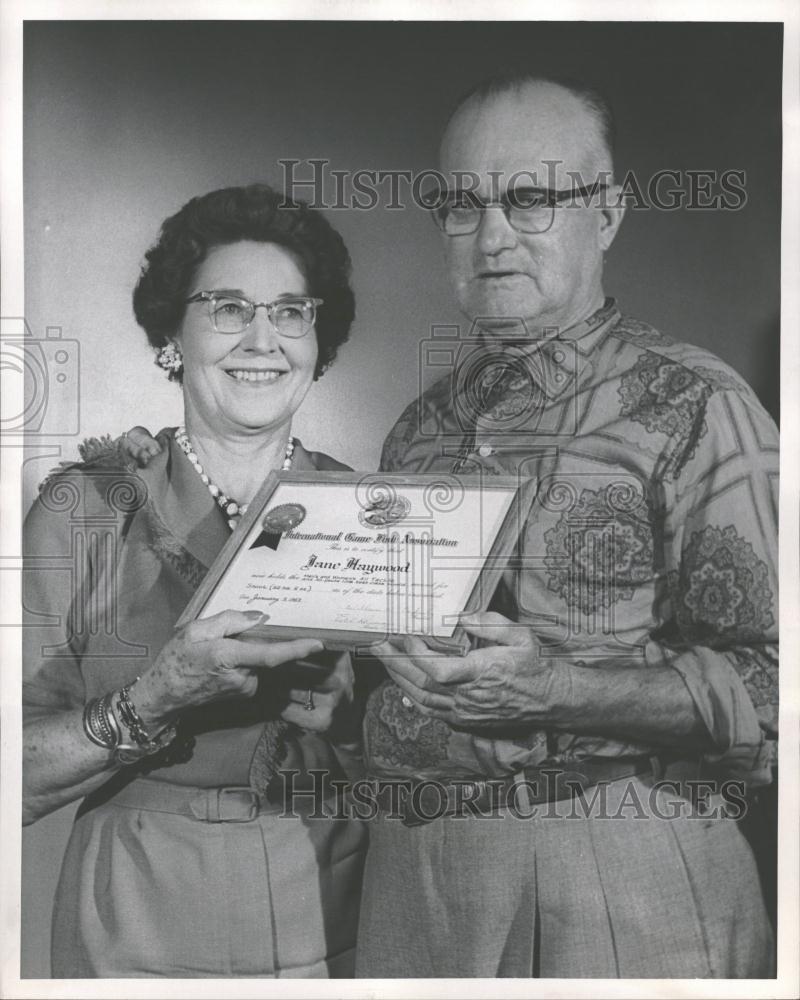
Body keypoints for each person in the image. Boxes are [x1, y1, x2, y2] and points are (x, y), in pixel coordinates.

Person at [122, 76, 779, 979]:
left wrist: (556, 688)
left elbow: (776, 687)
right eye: (462, 206)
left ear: (611, 214)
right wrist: (350, 705)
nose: (493, 235)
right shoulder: (419, 431)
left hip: (614, 862)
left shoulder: (697, 404)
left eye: (531, 199)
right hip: (414, 877)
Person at [22, 184, 367, 978]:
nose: (262, 339)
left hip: (333, 913)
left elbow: (436, 763)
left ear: (319, 341)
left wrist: (352, 721)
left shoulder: (368, 507)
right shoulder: (84, 510)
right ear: (172, 334)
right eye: (226, 308)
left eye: (290, 311)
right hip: (138, 922)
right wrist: (153, 699)